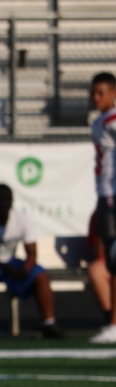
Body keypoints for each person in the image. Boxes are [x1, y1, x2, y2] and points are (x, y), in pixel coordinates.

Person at [0, 184, 64, 339]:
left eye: (6, 199)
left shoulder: (23, 219)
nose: (3, 203)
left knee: (40, 274)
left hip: (10, 263)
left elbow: (32, 254)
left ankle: (49, 324)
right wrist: (5, 268)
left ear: (12, 201)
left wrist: (24, 270)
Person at [89, 71, 116, 343]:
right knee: (111, 260)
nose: (95, 98)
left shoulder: (113, 119)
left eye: (101, 93)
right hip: (106, 193)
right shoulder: (99, 122)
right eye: (93, 93)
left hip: (114, 195)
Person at [86, 210, 112, 321]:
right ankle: (112, 319)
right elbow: (99, 253)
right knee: (96, 270)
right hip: (110, 261)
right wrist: (105, 229)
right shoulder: (101, 214)